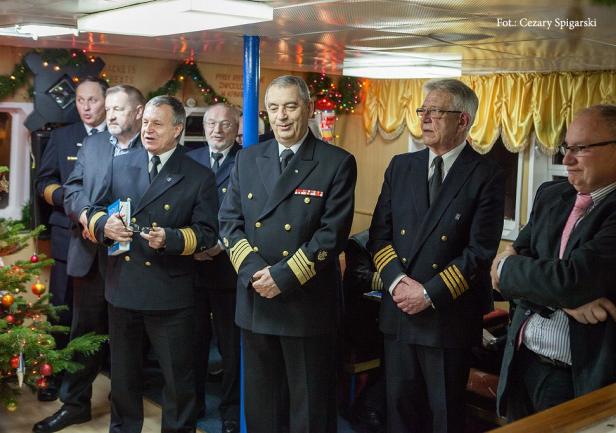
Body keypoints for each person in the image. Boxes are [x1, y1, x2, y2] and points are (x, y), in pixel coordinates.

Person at [219, 75, 357, 433]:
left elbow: (331, 236)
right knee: (262, 410)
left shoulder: (335, 162)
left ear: (308, 109)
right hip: (256, 301)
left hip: (305, 306)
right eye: (274, 108)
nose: (281, 116)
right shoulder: (247, 159)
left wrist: (281, 277)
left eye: (291, 106)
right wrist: (254, 273)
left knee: (309, 412)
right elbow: (229, 223)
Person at [368, 78, 505, 433]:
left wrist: (427, 294)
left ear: (463, 120)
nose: (425, 118)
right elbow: (379, 236)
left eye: (435, 111)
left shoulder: (486, 173)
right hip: (399, 311)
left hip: (447, 316)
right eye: (422, 110)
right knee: (399, 413)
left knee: (444, 416)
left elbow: (479, 252)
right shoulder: (401, 166)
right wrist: (398, 284)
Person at [86, 95, 219, 433]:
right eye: (145, 122)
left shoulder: (198, 175)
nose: (148, 129)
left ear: (177, 129)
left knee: (177, 383)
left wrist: (171, 239)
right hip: (123, 288)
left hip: (170, 294)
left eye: (157, 124)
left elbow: (207, 233)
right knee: (124, 379)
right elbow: (95, 207)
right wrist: (105, 226)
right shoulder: (120, 164)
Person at [33, 85, 145, 433]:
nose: (110, 116)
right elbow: (74, 189)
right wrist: (88, 217)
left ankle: (124, 418)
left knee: (126, 341)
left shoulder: (151, 147)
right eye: (108, 109)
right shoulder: (93, 144)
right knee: (83, 334)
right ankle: (75, 404)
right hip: (89, 255)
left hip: (130, 260)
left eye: (117, 109)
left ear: (138, 112)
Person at [492, 104, 616, 421]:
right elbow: (504, 273)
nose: (566, 160)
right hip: (522, 360)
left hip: (578, 377)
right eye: (566, 147)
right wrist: (568, 302)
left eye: (581, 149)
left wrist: (509, 268)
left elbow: (571, 279)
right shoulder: (550, 195)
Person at [35, 76, 108, 402]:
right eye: (80, 100)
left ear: (106, 101)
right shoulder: (63, 137)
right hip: (68, 237)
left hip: (106, 240)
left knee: (102, 314)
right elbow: (43, 182)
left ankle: (103, 373)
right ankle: (52, 374)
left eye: (93, 100)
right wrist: (69, 199)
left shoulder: (116, 137)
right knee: (61, 311)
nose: (86, 107)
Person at [187, 103, 242, 433]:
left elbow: (250, 211)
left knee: (231, 347)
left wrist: (221, 243)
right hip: (192, 267)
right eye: (211, 123)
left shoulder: (248, 160)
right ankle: (191, 405)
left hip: (229, 268)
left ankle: (231, 410)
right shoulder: (190, 159)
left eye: (225, 124)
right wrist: (191, 245)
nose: (217, 130)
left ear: (237, 127)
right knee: (191, 344)